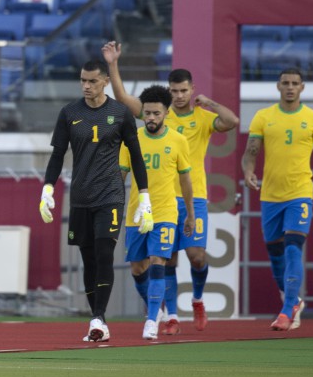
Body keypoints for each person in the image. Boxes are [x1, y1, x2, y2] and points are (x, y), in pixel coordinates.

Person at [103, 41, 239, 333]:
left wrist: (211, 103)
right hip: (158, 198)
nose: (178, 96)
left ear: (192, 90)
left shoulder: (202, 118)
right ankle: (171, 315)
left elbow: (232, 121)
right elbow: (122, 97)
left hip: (193, 194)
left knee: (196, 255)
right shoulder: (157, 112)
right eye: (174, 91)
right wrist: (113, 64)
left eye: (183, 90)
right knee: (165, 259)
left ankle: (198, 300)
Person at [39, 60, 148, 343]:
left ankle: (98, 317)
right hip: (80, 197)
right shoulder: (69, 113)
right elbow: (57, 155)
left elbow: (136, 156)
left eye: (92, 81)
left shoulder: (120, 113)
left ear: (105, 82)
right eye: (83, 81)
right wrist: (47, 189)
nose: (86, 86)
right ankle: (97, 319)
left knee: (104, 254)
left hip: (110, 195)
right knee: (88, 260)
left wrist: (144, 195)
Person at [241, 67, 313, 331]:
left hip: (300, 193)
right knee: (275, 254)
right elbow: (251, 152)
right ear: (278, 86)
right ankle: (294, 299)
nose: (290, 87)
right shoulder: (264, 116)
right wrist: (248, 172)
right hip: (270, 195)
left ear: (302, 87)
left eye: (295, 83)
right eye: (286, 83)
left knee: (294, 247)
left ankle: (287, 308)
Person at [119, 85, 195, 340]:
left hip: (164, 213)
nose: (151, 118)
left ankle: (151, 320)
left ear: (166, 113)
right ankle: (157, 308)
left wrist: (191, 214)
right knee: (137, 269)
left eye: (156, 113)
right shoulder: (131, 139)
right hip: (136, 214)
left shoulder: (177, 141)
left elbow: (186, 180)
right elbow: (120, 175)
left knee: (158, 263)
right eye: (147, 113)